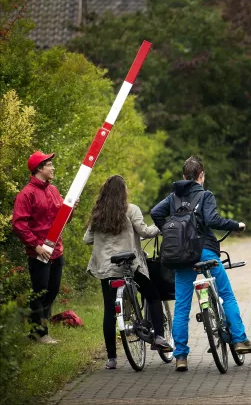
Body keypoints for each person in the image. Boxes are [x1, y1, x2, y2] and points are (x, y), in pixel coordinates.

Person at [151, 156, 251, 372]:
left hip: (182, 256)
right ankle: (239, 339)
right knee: (226, 294)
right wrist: (235, 225)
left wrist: (169, 230)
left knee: (182, 305)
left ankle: (180, 356)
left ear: (184, 176)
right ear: (201, 175)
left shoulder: (173, 197)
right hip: (205, 251)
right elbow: (212, 220)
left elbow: (155, 213)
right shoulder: (205, 195)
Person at [84, 175, 173, 370]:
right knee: (152, 295)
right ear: (123, 192)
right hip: (129, 266)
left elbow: (87, 239)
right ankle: (158, 336)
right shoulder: (131, 210)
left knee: (109, 311)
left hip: (106, 269)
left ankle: (112, 359)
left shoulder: (98, 213)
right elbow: (145, 232)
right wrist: (162, 226)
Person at [12, 151, 78, 344]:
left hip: (57, 250)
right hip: (39, 253)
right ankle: (40, 333)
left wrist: (71, 210)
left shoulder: (54, 190)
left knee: (52, 291)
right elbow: (19, 224)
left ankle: (38, 330)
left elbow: (62, 221)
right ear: (39, 168)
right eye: (49, 164)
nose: (53, 168)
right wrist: (36, 246)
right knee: (40, 292)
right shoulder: (26, 194)